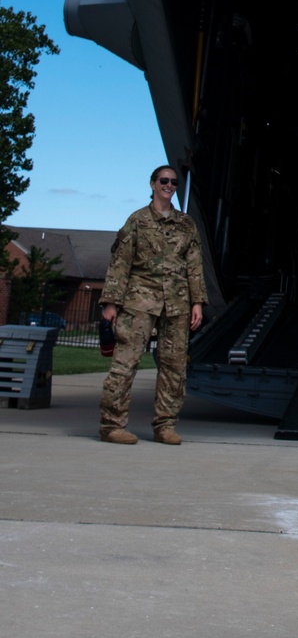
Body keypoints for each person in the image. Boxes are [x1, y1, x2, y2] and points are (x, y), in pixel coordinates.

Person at [98, 165, 207, 445]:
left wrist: (197, 302)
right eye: (163, 180)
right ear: (152, 184)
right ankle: (112, 425)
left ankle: (165, 425)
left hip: (177, 304)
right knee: (125, 363)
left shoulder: (187, 224)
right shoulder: (137, 221)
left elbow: (194, 265)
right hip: (139, 301)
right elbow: (120, 263)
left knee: (173, 368)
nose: (168, 185)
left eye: (173, 181)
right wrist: (110, 303)